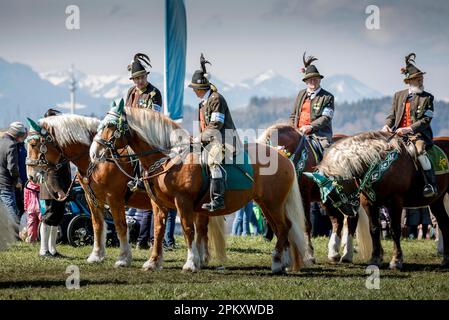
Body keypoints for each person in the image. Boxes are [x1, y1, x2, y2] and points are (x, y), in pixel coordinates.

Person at [189, 53, 241, 212]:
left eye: (194, 88)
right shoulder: (203, 102)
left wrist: (199, 138)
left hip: (226, 140)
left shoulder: (216, 99)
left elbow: (216, 124)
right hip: (211, 140)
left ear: (199, 89)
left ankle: (218, 200)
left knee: (213, 161)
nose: (193, 91)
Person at [382, 53, 437, 197]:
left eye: (421, 78)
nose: (421, 80)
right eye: (418, 79)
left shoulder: (428, 98)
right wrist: (386, 126)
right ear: (409, 81)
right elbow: (392, 116)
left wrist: (408, 129)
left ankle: (430, 184)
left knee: (419, 151)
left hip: (418, 135)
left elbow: (426, 120)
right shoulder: (398, 95)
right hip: (397, 134)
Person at [125, 53, 163, 192]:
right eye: (136, 78)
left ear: (146, 76)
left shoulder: (154, 93)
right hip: (132, 132)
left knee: (139, 150)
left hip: (149, 132)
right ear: (133, 80)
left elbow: (154, 116)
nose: (140, 81)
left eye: (142, 77)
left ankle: (142, 179)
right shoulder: (131, 92)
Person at [38, 108, 72, 257]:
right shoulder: (45, 142)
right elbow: (49, 169)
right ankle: (43, 250)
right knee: (49, 217)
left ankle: (52, 249)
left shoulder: (57, 141)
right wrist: (58, 189)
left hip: (61, 186)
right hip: (51, 187)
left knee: (57, 218)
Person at [290, 52, 335, 149]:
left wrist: (310, 127)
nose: (313, 81)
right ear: (306, 81)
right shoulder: (301, 94)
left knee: (325, 151)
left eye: (315, 79)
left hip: (319, 136)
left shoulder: (327, 97)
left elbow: (326, 118)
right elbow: (293, 115)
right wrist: (292, 130)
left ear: (320, 80)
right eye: (310, 79)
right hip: (298, 133)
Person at [0, 122, 28, 220]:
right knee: (12, 217)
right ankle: (14, 235)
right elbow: (12, 167)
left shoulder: (2, 141)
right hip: (7, 185)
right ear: (18, 135)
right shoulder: (11, 145)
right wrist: (17, 180)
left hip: (1, 182)